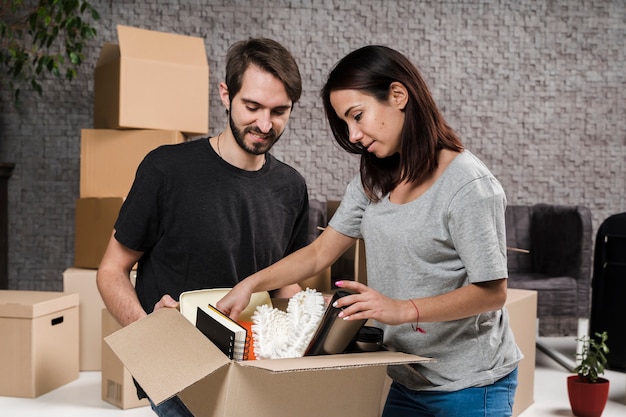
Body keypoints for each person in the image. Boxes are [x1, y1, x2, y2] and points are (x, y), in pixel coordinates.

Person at [217, 45, 522, 417]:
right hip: (408, 375)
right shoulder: (374, 180)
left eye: (357, 116)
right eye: (345, 123)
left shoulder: (468, 186)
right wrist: (251, 284)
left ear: (398, 95)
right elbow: (318, 253)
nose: (354, 135)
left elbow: (492, 293)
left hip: (471, 385)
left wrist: (398, 309)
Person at [96, 37, 309, 417]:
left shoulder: (291, 187)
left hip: (255, 367)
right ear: (226, 95)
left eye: (280, 111)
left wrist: (318, 322)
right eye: (252, 106)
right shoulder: (166, 169)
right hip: (176, 367)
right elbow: (111, 270)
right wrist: (148, 331)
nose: (265, 124)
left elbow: (283, 280)